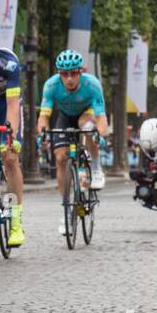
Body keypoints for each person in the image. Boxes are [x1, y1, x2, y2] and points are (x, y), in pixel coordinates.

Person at [36, 49, 107, 235]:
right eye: (64, 74)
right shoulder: (51, 86)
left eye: (73, 73)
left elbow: (101, 117)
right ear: (58, 73)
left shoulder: (92, 85)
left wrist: (101, 134)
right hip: (65, 117)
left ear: (81, 71)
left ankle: (97, 167)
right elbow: (44, 116)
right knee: (60, 158)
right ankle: (67, 209)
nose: (69, 79)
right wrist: (41, 134)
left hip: (88, 114)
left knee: (86, 126)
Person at [0, 26, 26, 246]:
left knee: (9, 156)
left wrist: (11, 136)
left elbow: (12, 105)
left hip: (3, 105)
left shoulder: (8, 61)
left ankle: (16, 221)